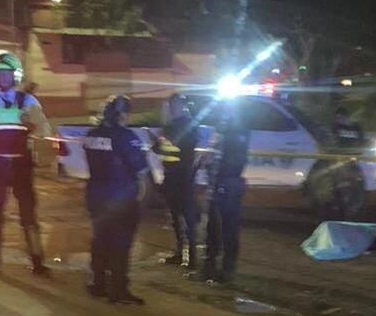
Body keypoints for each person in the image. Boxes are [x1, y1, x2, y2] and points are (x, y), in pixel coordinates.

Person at [0, 50, 52, 277]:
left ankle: (37, 261)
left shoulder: (29, 101)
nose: (3, 77)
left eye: (7, 73)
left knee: (28, 215)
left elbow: (45, 131)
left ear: (15, 75)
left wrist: (32, 124)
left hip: (21, 166)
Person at [83, 95, 149, 304]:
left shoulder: (92, 135)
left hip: (96, 197)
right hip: (121, 199)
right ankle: (118, 290)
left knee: (100, 241)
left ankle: (98, 284)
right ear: (121, 114)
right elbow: (140, 168)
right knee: (120, 246)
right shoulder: (126, 137)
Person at [202, 104, 250, 284]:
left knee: (228, 229)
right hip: (218, 184)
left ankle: (227, 270)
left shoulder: (237, 131)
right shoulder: (222, 129)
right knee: (213, 228)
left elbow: (236, 161)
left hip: (228, 184)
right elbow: (215, 154)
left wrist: (219, 170)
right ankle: (210, 266)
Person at [152, 93, 200, 269]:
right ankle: (184, 255)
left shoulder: (178, 126)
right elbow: (161, 148)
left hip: (180, 178)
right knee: (180, 218)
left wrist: (160, 138)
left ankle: (189, 257)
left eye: (173, 106)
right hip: (179, 177)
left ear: (179, 106)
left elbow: (159, 148)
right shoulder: (186, 125)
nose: (172, 109)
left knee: (183, 219)